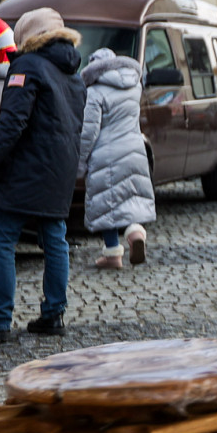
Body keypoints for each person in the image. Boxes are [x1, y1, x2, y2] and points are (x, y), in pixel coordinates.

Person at [0, 7, 86, 342]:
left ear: (28, 38)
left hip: (24, 171)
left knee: (0, 238)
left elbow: (12, 123)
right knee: (55, 241)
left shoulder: (27, 66)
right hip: (59, 170)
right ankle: (53, 314)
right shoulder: (73, 72)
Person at [77, 47, 155, 269]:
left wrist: (80, 163)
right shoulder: (134, 86)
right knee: (130, 197)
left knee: (107, 204)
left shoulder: (95, 92)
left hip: (106, 154)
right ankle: (135, 232)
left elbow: (89, 131)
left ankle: (112, 254)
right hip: (134, 149)